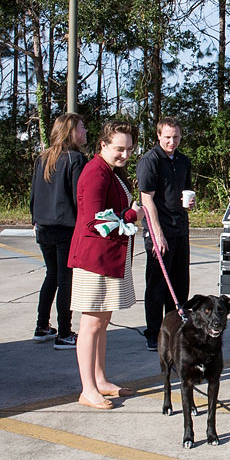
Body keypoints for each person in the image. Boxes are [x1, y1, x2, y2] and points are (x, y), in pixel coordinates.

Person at [68, 120, 145, 409]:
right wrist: (131, 215)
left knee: (102, 322)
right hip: (94, 260)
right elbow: (95, 220)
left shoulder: (109, 170)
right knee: (90, 324)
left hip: (109, 258)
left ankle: (100, 380)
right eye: (119, 149)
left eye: (129, 149)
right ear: (103, 145)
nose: (125, 154)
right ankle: (87, 389)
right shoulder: (94, 172)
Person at [29, 113, 88, 349]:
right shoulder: (76, 159)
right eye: (81, 128)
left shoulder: (43, 157)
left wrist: (35, 219)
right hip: (65, 227)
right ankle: (64, 332)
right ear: (71, 132)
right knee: (65, 280)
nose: (85, 131)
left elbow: (33, 194)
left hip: (44, 225)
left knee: (52, 275)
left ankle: (42, 325)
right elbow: (79, 197)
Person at [137, 117, 192, 352]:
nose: (172, 141)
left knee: (180, 283)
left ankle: (175, 329)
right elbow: (146, 199)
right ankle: (153, 333)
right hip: (160, 229)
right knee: (157, 284)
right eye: (167, 137)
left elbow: (186, 190)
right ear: (159, 135)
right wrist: (156, 233)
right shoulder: (150, 161)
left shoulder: (183, 161)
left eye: (176, 137)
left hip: (180, 227)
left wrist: (188, 202)